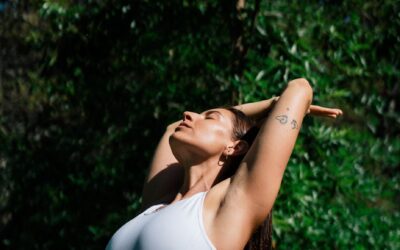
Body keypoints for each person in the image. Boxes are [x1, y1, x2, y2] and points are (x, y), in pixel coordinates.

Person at [106, 78, 343, 250]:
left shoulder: (229, 205)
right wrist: (268, 104)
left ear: (235, 146)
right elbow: (171, 128)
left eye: (210, 117)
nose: (189, 113)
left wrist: (274, 109)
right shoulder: (157, 203)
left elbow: (300, 88)